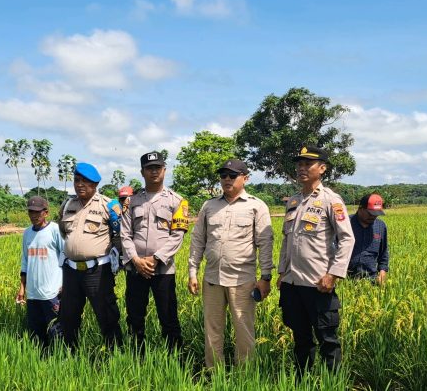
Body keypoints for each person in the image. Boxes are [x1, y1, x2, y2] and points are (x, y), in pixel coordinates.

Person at [277, 145, 355, 376]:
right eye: (299, 164)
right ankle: (303, 381)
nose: (301, 168)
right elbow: (286, 241)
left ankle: (333, 383)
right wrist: (282, 272)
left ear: (321, 168)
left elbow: (347, 239)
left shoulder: (331, 200)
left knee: (327, 339)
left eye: (307, 164)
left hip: (318, 283)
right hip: (292, 284)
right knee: (300, 338)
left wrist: (334, 274)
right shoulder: (293, 201)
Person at [188, 158, 273, 367]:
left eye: (232, 175)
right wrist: (192, 271)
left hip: (242, 280)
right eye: (223, 175)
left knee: (244, 330)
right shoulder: (209, 206)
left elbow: (266, 243)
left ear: (245, 178)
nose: (227, 179)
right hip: (212, 279)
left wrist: (265, 278)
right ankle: (214, 374)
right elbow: (198, 239)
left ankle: (245, 377)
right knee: (212, 330)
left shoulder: (256, 206)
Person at [121, 151, 188, 351]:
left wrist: (156, 259)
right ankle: (136, 359)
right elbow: (125, 234)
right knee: (134, 317)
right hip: (136, 269)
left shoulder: (177, 201)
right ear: (142, 172)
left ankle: (174, 361)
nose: (154, 172)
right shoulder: (131, 202)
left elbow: (177, 236)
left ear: (164, 170)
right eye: (149, 168)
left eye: (157, 168)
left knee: (168, 317)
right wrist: (136, 260)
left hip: (163, 271)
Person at [57, 162, 123, 350]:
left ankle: (116, 355)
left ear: (95, 184)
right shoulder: (68, 204)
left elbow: (118, 236)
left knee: (106, 316)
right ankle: (70, 356)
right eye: (77, 180)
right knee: (68, 317)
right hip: (71, 271)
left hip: (98, 271)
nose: (79, 185)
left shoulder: (108, 205)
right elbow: (64, 232)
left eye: (85, 181)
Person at [16, 196, 65, 348]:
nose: (34, 216)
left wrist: (65, 283)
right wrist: (22, 288)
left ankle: (60, 361)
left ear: (46, 213)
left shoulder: (55, 230)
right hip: (33, 294)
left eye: (37, 212)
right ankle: (41, 361)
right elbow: (25, 260)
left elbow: (66, 256)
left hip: (52, 293)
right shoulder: (27, 233)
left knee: (56, 332)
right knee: (36, 334)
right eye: (31, 212)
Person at [347, 194, 389, 284]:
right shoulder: (346, 223)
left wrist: (382, 272)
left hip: (371, 279)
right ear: (360, 209)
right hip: (345, 279)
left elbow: (384, 253)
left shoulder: (381, 226)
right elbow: (333, 249)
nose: (373, 216)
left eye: (376, 214)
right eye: (370, 213)